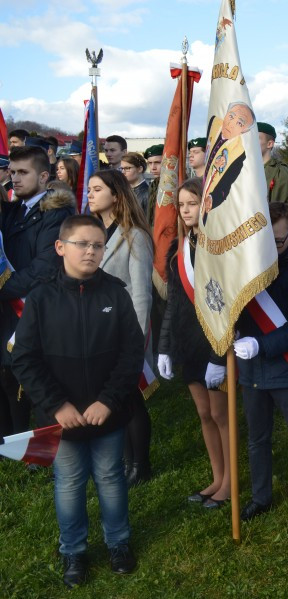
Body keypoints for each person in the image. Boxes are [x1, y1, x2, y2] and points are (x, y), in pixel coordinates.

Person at [12, 214, 144, 587]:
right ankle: (73, 550)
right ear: (60, 247)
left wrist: (109, 400)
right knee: (69, 482)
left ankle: (118, 542)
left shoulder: (115, 293)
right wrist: (57, 405)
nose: (90, 251)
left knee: (110, 477)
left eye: (98, 245)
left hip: (107, 414)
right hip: (62, 418)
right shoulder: (41, 297)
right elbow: (25, 358)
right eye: (82, 244)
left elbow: (131, 353)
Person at [233, 203, 288, 544]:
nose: (272, 248)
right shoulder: (245, 266)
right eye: (265, 242)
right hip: (251, 370)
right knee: (257, 439)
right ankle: (261, 497)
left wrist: (261, 344)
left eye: (279, 241)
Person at [156, 177, 230, 509]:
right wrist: (165, 347)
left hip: (214, 342)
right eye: (182, 205)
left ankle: (230, 482)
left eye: (193, 203)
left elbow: (229, 304)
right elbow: (173, 302)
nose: (186, 210)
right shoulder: (178, 248)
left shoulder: (221, 246)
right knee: (203, 413)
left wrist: (220, 354)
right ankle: (217, 476)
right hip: (187, 341)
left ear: (207, 205)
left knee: (220, 414)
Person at [0, 146, 76, 437]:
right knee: (7, 377)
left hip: (36, 306)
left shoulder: (55, 213)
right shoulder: (14, 209)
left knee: (32, 379)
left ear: (44, 176)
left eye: (23, 172)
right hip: (10, 305)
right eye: (12, 172)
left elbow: (43, 269)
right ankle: (10, 441)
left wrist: (2, 289)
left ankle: (41, 442)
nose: (15, 178)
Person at [88, 170, 155, 487]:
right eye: (89, 189)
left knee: (130, 399)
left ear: (115, 195)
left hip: (124, 330)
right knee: (113, 398)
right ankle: (126, 462)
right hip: (97, 331)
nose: (90, 194)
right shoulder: (92, 233)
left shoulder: (135, 235)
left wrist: (136, 342)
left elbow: (141, 293)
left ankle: (140, 466)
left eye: (97, 189)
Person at [203, 101, 255, 217]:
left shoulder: (238, 154)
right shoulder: (214, 123)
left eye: (239, 123)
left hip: (206, 206)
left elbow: (225, 187)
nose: (231, 124)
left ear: (245, 131)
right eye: (231, 116)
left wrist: (212, 198)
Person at [259, 122, 288, 211]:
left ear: (269, 144)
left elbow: (284, 215)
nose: (250, 142)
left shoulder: (281, 174)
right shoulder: (243, 171)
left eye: (255, 139)